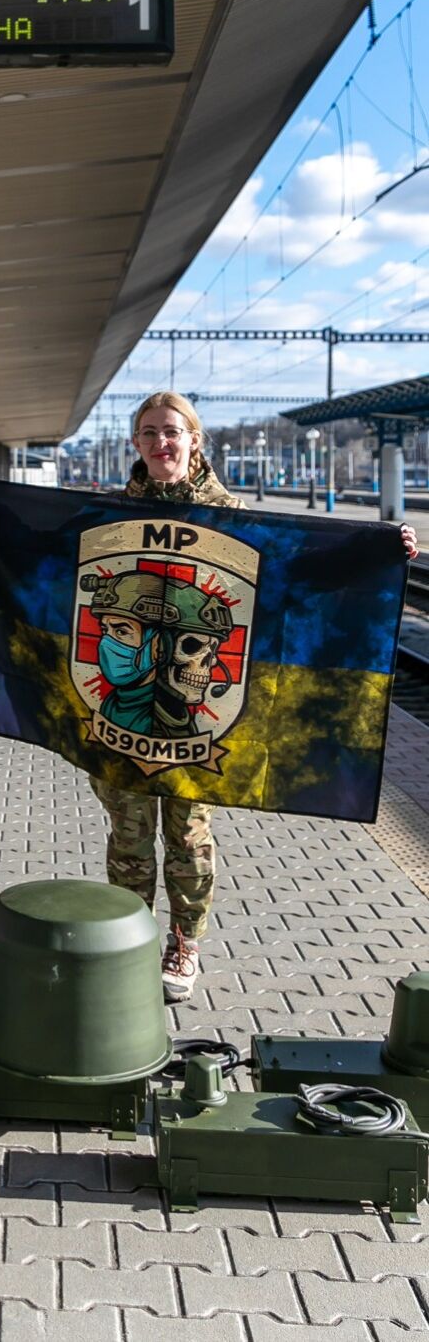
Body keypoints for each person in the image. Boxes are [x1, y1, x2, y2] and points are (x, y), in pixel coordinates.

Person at [90, 390, 419, 1004]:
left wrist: (376, 551)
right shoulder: (108, 512)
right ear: (135, 443)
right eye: (149, 432)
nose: (161, 442)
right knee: (127, 835)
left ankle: (184, 941)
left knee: (188, 834)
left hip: (197, 721)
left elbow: (297, 569)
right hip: (122, 715)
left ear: (194, 439)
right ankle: (128, 941)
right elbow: (34, 542)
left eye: (172, 431)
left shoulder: (232, 516)